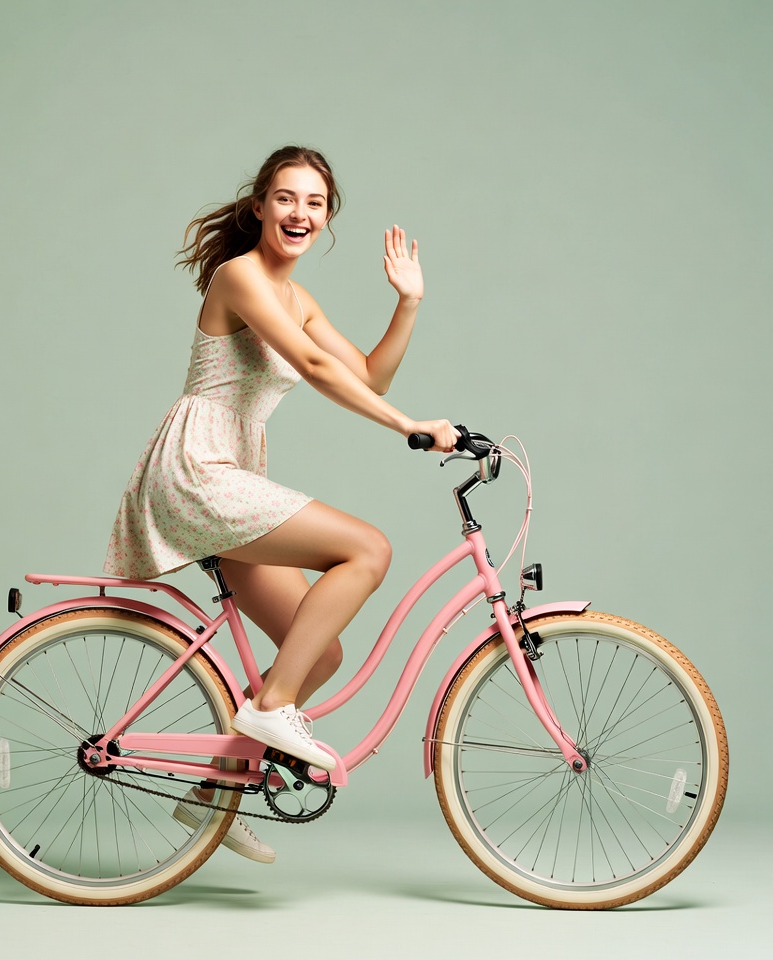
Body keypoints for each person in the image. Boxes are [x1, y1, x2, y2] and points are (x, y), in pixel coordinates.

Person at [103, 145, 458, 862]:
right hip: (199, 470)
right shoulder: (239, 276)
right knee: (368, 549)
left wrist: (409, 302)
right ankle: (269, 709)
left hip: (231, 470)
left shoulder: (299, 299)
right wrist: (409, 428)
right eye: (287, 198)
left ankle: (214, 788)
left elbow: (369, 376)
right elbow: (316, 366)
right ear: (261, 205)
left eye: (315, 203)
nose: (300, 213)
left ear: (327, 220)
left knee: (317, 651)